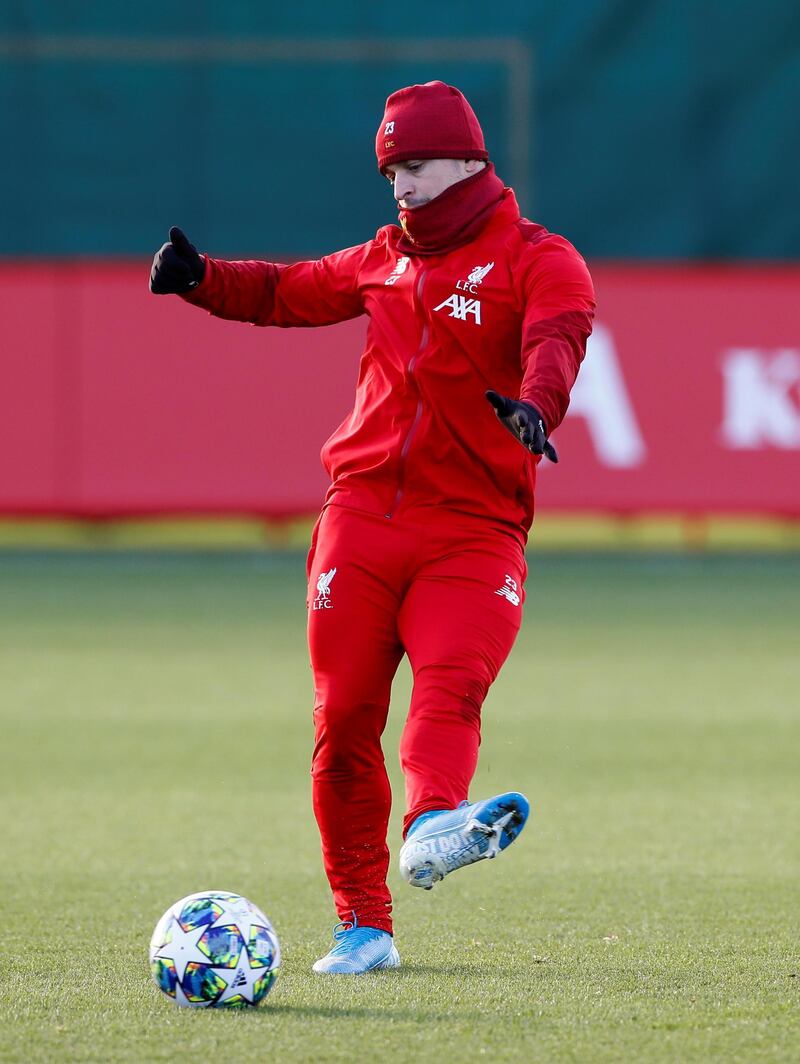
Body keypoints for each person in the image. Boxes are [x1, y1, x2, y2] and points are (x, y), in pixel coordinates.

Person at [150, 80, 595, 975]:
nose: (401, 183)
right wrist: (201, 282)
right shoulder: (384, 257)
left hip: (474, 527)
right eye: (391, 168)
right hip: (359, 518)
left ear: (471, 161)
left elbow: (559, 336)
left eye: (417, 165)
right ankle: (364, 926)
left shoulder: (540, 257)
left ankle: (434, 822)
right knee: (344, 719)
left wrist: (539, 405)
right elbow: (287, 291)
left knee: (450, 682)